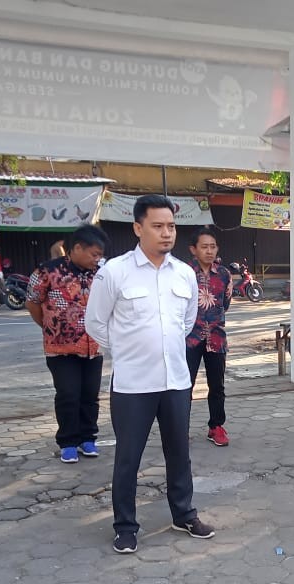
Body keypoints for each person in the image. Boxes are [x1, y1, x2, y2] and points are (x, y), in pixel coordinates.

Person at [84, 194, 215, 554]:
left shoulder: (184, 274)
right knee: (129, 458)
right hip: (133, 384)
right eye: (158, 226)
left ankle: (184, 514)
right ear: (138, 228)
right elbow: (95, 322)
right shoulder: (115, 272)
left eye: (171, 226)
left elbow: (186, 321)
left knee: (179, 453)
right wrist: (127, 349)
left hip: (176, 381)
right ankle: (125, 526)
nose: (166, 233)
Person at [26, 223, 110, 465]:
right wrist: (50, 327)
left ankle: (88, 438)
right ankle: (68, 443)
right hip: (60, 349)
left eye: (100, 255)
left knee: (90, 395)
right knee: (68, 394)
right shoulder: (47, 271)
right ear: (77, 248)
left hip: (93, 347)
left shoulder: (101, 273)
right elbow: (32, 302)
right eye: (94, 254)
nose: (97, 259)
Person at [185, 226, 233, 446]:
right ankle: (180, 428)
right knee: (185, 385)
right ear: (193, 249)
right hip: (189, 338)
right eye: (204, 247)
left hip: (216, 337)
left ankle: (216, 426)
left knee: (217, 385)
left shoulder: (224, 274)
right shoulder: (184, 273)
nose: (209, 251)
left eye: (213, 246)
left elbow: (225, 303)